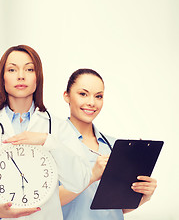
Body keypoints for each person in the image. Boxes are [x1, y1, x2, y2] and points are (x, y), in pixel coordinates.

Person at [0, 45, 92, 220]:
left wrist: (48, 141)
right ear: (2, 78)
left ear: (38, 77)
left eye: (29, 69)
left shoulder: (57, 127)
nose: (21, 75)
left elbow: (80, 180)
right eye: (12, 69)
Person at [59, 68, 157, 219]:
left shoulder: (114, 146)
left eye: (98, 96)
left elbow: (115, 208)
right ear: (67, 96)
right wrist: (91, 176)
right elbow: (48, 202)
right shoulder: (53, 142)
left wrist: (142, 196)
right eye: (83, 94)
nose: (91, 102)